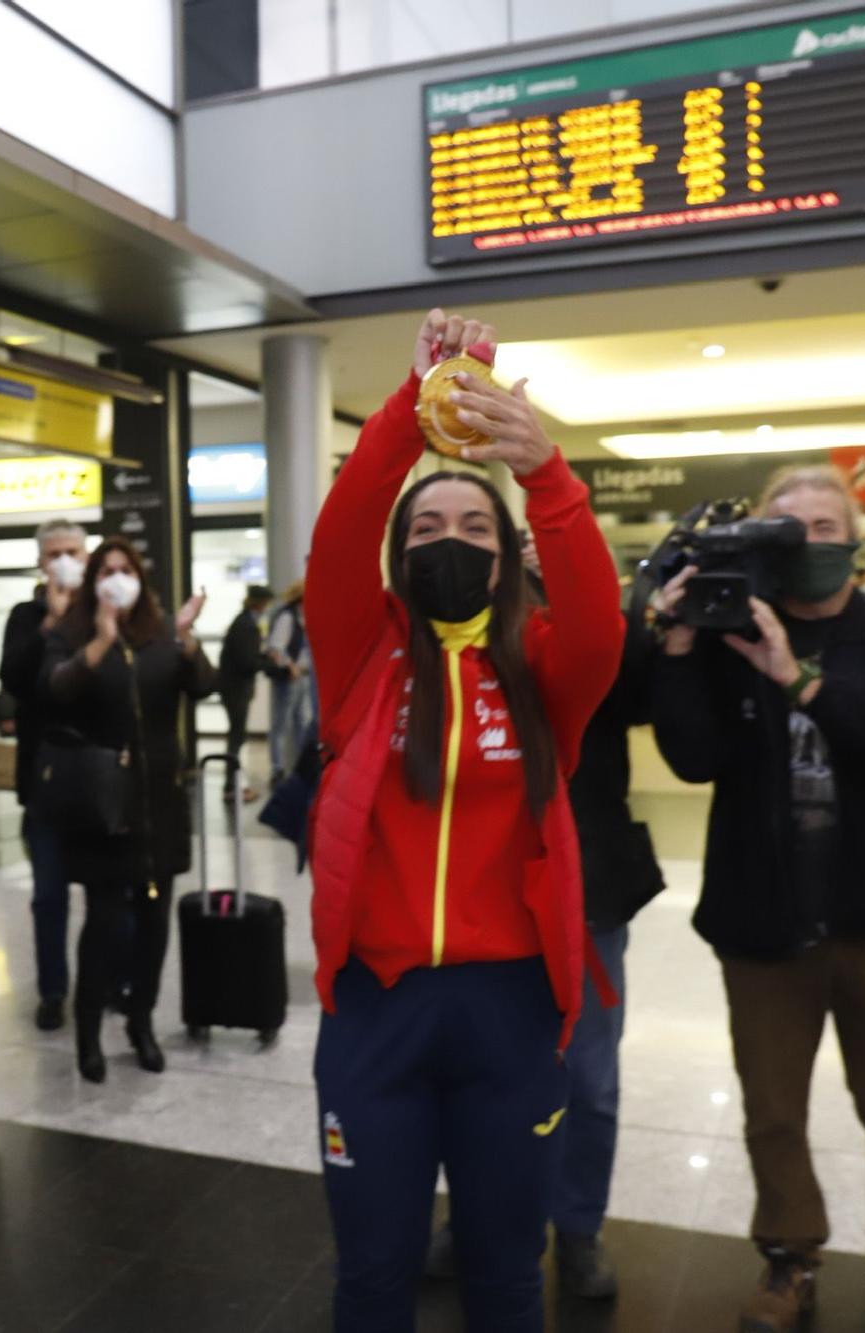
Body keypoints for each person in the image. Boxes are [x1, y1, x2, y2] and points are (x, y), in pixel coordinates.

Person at [307, 309, 623, 1332]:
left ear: (505, 557)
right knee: (373, 1269)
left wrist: (544, 475)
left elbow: (599, 619)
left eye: (474, 528)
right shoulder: (362, 656)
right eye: (428, 528)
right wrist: (409, 405)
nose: (449, 539)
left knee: (499, 1271)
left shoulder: (540, 668)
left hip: (512, 1013)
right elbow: (343, 524)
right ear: (401, 554)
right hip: (375, 1007)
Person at [651, 463, 865, 1333]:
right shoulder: (726, 631)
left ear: (853, 536)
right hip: (763, 914)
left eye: (823, 524)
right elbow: (692, 757)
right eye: (786, 526)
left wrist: (797, 675)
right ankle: (789, 1258)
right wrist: (676, 641)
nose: (807, 540)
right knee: (773, 1108)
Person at [426, 533, 658, 1302]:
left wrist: (577, 579)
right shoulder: (456, 641)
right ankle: (473, 1221)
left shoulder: (592, 646)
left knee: (588, 1079)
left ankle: (579, 1227)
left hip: (585, 892)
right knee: (483, 1074)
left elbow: (639, 689)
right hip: (485, 896)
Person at [38, 538, 214, 1081]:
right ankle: (88, 1032)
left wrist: (186, 638)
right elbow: (56, 691)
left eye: (126, 570)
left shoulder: (162, 636)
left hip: (159, 800)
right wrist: (100, 642)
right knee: (106, 924)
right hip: (103, 805)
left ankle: (142, 1021)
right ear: (93, 582)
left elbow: (203, 684)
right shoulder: (71, 634)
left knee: (156, 922)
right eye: (107, 571)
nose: (117, 579)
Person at [0, 518, 91, 1031]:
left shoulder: (109, 607)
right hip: (46, 776)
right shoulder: (24, 616)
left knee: (110, 893)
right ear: (40, 561)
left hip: (101, 773)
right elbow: (13, 677)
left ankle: (112, 983)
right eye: (54, 553)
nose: (63, 561)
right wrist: (50, 627)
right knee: (49, 893)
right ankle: (53, 991)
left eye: (72, 551)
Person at [216, 584, 280, 803]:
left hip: (235, 687)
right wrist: (272, 665)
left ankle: (232, 785)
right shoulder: (246, 626)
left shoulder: (244, 622)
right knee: (236, 738)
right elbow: (246, 661)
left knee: (236, 737)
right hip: (236, 688)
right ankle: (231, 787)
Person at [267, 582, 313, 786]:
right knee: (282, 723)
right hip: (289, 678)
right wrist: (290, 665)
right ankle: (278, 768)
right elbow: (275, 648)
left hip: (304, 676)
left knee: (301, 721)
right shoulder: (287, 617)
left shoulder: (303, 617)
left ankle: (300, 765)